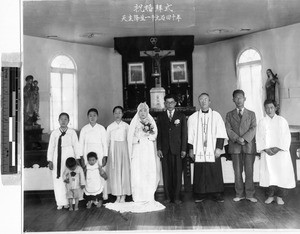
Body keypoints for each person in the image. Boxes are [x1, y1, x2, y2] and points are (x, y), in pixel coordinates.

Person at [105, 103, 165, 213]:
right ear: (138, 112)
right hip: (137, 149)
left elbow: (155, 135)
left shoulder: (151, 122)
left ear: (147, 112)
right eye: (141, 111)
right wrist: (137, 140)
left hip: (147, 149)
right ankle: (138, 196)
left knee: (148, 171)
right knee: (138, 172)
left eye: (145, 111)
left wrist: (148, 137)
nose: (143, 113)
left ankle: (148, 196)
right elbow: (129, 138)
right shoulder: (134, 123)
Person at [188, 93, 228, 202]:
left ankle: (217, 193)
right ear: (199, 102)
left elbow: (221, 133)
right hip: (199, 150)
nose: (203, 101)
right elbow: (190, 136)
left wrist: (219, 148)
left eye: (205, 99)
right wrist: (191, 149)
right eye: (201, 100)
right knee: (200, 171)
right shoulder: (193, 118)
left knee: (214, 170)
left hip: (213, 149)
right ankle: (200, 194)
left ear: (209, 101)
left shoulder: (216, 116)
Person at [256, 99, 295, 205]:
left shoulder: (282, 121)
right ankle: (270, 195)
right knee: (269, 174)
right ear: (264, 109)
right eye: (267, 108)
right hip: (267, 153)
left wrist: (278, 148)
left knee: (280, 174)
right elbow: (259, 137)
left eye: (271, 107)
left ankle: (279, 197)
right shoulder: (262, 122)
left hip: (280, 154)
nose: (269, 110)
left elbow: (286, 137)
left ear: (275, 108)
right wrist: (265, 149)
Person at [225, 89, 257, 202]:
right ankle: (239, 194)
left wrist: (244, 138)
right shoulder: (229, 115)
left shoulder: (252, 114)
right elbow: (228, 129)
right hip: (235, 146)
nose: (239, 100)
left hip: (248, 146)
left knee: (249, 171)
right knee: (237, 171)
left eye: (241, 97)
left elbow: (253, 128)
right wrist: (237, 138)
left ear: (245, 98)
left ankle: (250, 194)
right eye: (236, 98)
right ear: (233, 100)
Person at [156, 94, 187, 204]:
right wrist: (159, 148)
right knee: (166, 174)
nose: (169, 104)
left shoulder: (181, 116)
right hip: (164, 150)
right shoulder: (160, 117)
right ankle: (168, 197)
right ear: (164, 104)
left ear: (175, 103)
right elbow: (158, 134)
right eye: (167, 102)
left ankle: (177, 197)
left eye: (171, 102)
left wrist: (184, 149)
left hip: (177, 149)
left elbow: (184, 134)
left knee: (178, 173)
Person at [47, 112, 80, 209]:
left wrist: (77, 158)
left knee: (70, 178)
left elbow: (76, 146)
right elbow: (51, 147)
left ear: (69, 121)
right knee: (58, 179)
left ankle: (69, 201)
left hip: (69, 156)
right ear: (58, 121)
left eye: (65, 119)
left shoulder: (72, 132)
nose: (63, 121)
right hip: (57, 157)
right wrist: (50, 160)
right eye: (61, 119)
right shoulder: (54, 133)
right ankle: (61, 202)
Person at [79, 108, 108, 199]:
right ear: (88, 117)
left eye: (94, 115)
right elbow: (81, 144)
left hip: (99, 153)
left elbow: (105, 143)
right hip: (87, 153)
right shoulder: (84, 129)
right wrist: (81, 157)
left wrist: (105, 155)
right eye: (90, 115)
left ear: (97, 116)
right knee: (89, 174)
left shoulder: (101, 128)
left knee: (100, 173)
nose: (92, 117)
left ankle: (102, 195)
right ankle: (89, 197)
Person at [106, 106, 131, 203]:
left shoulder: (126, 126)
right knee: (115, 172)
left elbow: (129, 140)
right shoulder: (110, 127)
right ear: (113, 114)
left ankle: (124, 195)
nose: (117, 115)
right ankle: (117, 195)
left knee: (124, 171)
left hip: (124, 149)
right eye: (115, 113)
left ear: (122, 114)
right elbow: (107, 142)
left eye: (119, 112)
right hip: (113, 149)